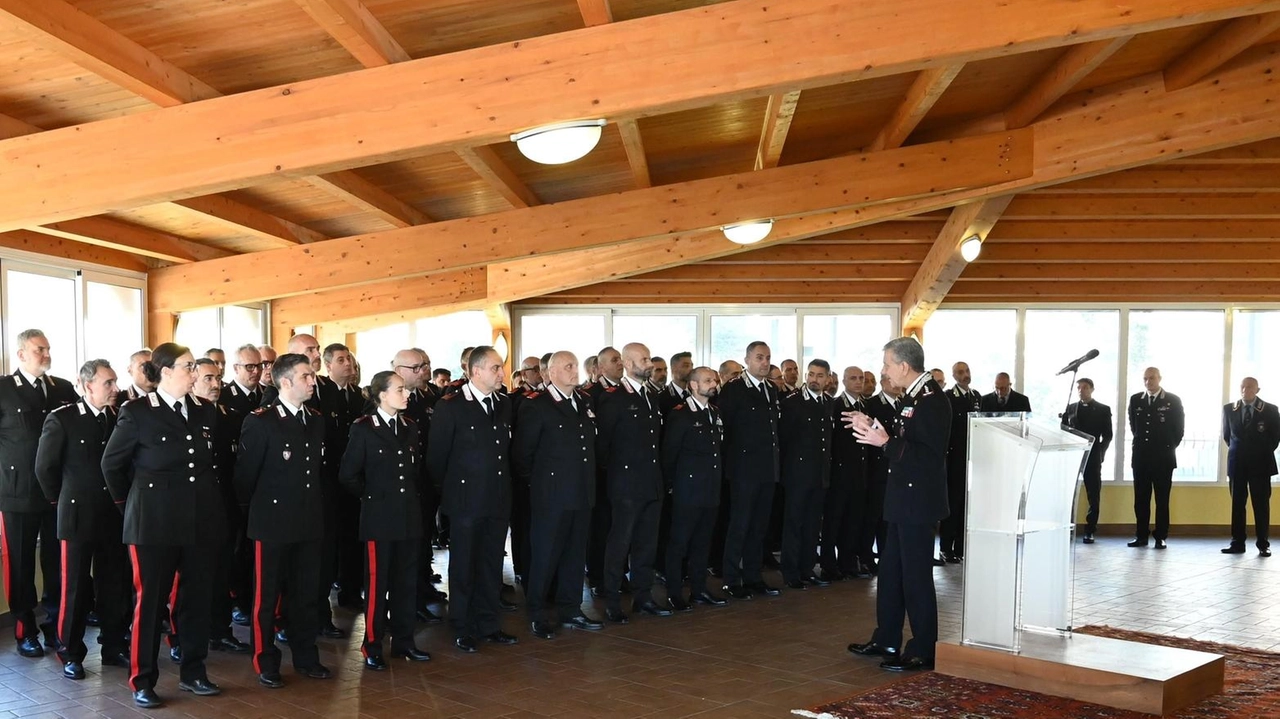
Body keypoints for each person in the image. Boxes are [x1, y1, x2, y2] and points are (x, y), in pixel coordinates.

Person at [101, 343, 227, 708]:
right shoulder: (138, 412)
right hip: (152, 524)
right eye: (188, 367)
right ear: (166, 371)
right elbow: (112, 465)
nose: (195, 373)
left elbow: (207, 463)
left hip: (199, 522)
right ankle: (143, 680)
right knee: (150, 601)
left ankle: (194, 671)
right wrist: (133, 507)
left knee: (196, 600)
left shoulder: (206, 411)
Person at [847, 337, 950, 672]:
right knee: (891, 573)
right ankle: (887, 637)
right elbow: (906, 437)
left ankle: (924, 646)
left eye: (888, 364)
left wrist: (886, 442)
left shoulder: (933, 400)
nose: (884, 371)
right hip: (902, 498)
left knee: (916, 576)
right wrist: (875, 427)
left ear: (904, 366)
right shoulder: (914, 396)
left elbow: (929, 456)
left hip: (918, 501)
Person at [234, 354, 331, 688]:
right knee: (267, 595)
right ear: (285, 382)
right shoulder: (261, 421)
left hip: (308, 519)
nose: (312, 381)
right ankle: (265, 659)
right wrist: (256, 513)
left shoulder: (315, 419)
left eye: (312, 375)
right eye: (306, 376)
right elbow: (245, 478)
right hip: (271, 521)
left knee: (306, 593)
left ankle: (306, 656)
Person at [35, 359, 127, 680]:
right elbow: (44, 469)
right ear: (88, 386)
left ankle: (114, 645)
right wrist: (61, 501)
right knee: (73, 587)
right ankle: (70, 652)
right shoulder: (62, 419)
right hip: (76, 514)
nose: (115, 389)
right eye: (108, 383)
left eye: (115, 382)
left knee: (114, 583)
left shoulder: (120, 417)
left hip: (112, 515)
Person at [428, 346, 518, 653]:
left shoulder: (504, 404)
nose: (500, 374)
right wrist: (449, 495)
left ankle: (489, 623)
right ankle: (462, 626)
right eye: (495, 368)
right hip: (465, 499)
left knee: (491, 563)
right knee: (464, 565)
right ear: (475, 371)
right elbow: (437, 458)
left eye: (501, 368)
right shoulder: (451, 406)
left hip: (497, 497)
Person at [339, 371, 432, 668]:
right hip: (379, 519)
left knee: (407, 582)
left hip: (408, 516)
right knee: (378, 586)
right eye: (400, 389)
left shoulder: (409, 426)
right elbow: (348, 475)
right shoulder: (364, 428)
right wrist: (373, 497)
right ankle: (373, 645)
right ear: (382, 395)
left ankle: (404, 642)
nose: (406, 394)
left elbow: (415, 473)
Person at [513, 351, 605, 638]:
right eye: (568, 366)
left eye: (575, 365)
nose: (574, 370)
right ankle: (537, 612)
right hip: (551, 494)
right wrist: (541, 484)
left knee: (575, 555)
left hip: (581, 492)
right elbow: (522, 454)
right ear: (550, 373)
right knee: (545, 554)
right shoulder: (537, 405)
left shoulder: (584, 401)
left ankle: (570, 608)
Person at [0, 329, 79, 657]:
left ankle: (54, 628)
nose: (46, 354)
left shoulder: (62, 388)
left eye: (48, 349)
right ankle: (25, 629)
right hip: (18, 493)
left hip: (58, 492)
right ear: (20, 355)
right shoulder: (3, 389)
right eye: (39, 350)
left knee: (56, 562)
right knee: (20, 564)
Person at [597, 343, 672, 622]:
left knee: (646, 544)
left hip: (651, 482)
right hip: (626, 484)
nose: (650, 363)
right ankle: (613, 601)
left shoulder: (652, 395)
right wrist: (617, 474)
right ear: (627, 363)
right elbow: (603, 445)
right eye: (644, 359)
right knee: (620, 544)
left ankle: (643, 597)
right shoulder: (613, 398)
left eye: (650, 358)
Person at [191, 358, 252, 657]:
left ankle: (221, 630)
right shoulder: (185, 415)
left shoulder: (231, 416)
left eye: (218, 378)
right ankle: (185, 638)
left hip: (224, 505)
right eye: (207, 379)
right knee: (191, 577)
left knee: (222, 571)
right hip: (193, 508)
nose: (216, 385)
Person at [718, 341, 782, 600]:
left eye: (767, 357)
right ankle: (731, 579)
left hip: (767, 468)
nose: (764, 362)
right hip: (743, 469)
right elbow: (726, 430)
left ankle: (753, 576)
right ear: (747, 360)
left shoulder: (771, 389)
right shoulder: (734, 389)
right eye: (759, 357)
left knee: (759, 526)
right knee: (740, 525)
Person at [660, 366, 728, 610]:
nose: (714, 384)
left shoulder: (715, 412)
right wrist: (671, 485)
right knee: (679, 543)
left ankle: (699, 590)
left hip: (710, 489)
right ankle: (674, 592)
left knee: (702, 543)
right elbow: (670, 454)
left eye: (715, 380)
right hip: (687, 489)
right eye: (708, 380)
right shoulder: (681, 414)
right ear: (694, 385)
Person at [778, 360, 834, 589]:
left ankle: (807, 568)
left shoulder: (829, 403)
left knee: (812, 524)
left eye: (820, 375)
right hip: (797, 473)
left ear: (828, 378)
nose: (814, 379)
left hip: (820, 473)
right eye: (811, 374)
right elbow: (784, 440)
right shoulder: (793, 402)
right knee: (794, 523)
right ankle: (790, 571)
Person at [1221, 377, 1279, 556]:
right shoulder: (1229, 409)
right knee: (1238, 504)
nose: (1246, 390)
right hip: (1237, 463)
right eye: (1243, 387)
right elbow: (1227, 436)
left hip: (1261, 464)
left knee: (1261, 505)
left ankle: (1263, 543)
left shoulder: (1270, 410)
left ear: (1257, 390)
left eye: (1250, 387)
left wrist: (1257, 452)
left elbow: (1275, 437)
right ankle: (1237, 542)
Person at [1127, 367, 1184, 549]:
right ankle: (1141, 535)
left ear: (1160, 378)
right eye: (1145, 378)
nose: (1148, 382)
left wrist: (1166, 447)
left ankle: (1160, 536)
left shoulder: (1172, 400)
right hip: (1141, 457)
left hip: (1163, 458)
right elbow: (1134, 426)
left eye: (1152, 378)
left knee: (1162, 499)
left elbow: (1179, 430)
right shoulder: (1136, 399)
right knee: (1141, 499)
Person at [821, 366, 869, 581]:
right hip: (839, 473)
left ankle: (848, 562)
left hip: (859, 473)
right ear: (843, 380)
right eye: (853, 378)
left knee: (854, 520)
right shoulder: (836, 405)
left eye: (861, 378)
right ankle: (829, 565)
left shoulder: (864, 406)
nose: (858, 382)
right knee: (834, 521)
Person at [939, 361, 982, 562]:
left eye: (967, 371)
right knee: (953, 505)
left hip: (972, 459)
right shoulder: (948, 397)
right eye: (960, 372)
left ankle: (961, 548)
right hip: (954, 459)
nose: (965, 375)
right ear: (954, 376)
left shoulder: (976, 397)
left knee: (967, 506)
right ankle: (946, 547)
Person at [1061, 378, 1113, 544]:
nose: (1081, 390)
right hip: (1073, 455)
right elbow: (1062, 431)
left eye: (1084, 387)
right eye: (1079, 388)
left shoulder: (1103, 409)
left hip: (1093, 456)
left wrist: (1101, 453)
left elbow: (1108, 435)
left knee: (1093, 493)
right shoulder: (1070, 408)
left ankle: (1090, 530)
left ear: (1092, 389)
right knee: (1068, 492)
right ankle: (1067, 528)